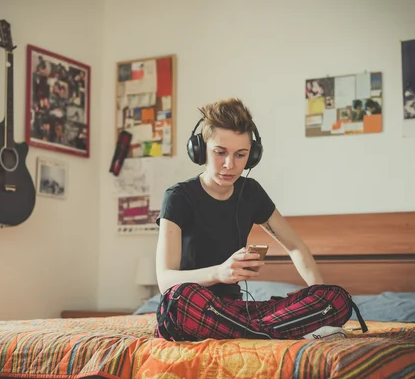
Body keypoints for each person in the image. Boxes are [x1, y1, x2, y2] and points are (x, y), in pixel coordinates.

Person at [154, 98, 365, 342]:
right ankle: (286, 332)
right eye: (220, 152)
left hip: (235, 314)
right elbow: (165, 280)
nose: (230, 165)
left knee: (336, 298)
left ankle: (254, 332)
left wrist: (319, 293)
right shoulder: (178, 197)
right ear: (200, 150)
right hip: (196, 308)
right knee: (179, 298)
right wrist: (219, 273)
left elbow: (296, 246)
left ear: (252, 156)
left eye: (241, 155)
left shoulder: (251, 193)